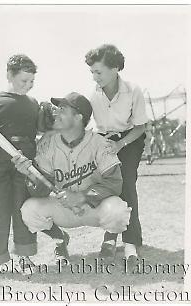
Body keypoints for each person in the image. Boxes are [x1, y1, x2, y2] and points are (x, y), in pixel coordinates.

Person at [12, 92, 131, 264]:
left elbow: (114, 183)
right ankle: (60, 240)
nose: (56, 113)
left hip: (94, 208)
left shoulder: (99, 143)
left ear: (78, 117)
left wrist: (82, 196)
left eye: (63, 110)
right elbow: (41, 190)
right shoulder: (48, 146)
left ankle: (109, 240)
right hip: (64, 207)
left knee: (118, 209)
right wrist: (30, 174)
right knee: (29, 210)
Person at [0, 54, 46, 284]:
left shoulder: (33, 104)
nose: (28, 85)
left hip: (24, 164)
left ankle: (25, 259)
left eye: (31, 81)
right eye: (24, 81)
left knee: (23, 210)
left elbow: (41, 133)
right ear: (9, 76)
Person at [85, 44, 148, 265]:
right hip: (105, 140)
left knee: (127, 183)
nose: (94, 77)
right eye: (91, 72)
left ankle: (130, 243)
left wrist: (121, 144)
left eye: (98, 72)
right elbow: (89, 125)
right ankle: (111, 236)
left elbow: (140, 127)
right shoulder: (93, 95)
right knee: (110, 185)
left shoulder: (133, 90)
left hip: (131, 139)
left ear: (115, 69)